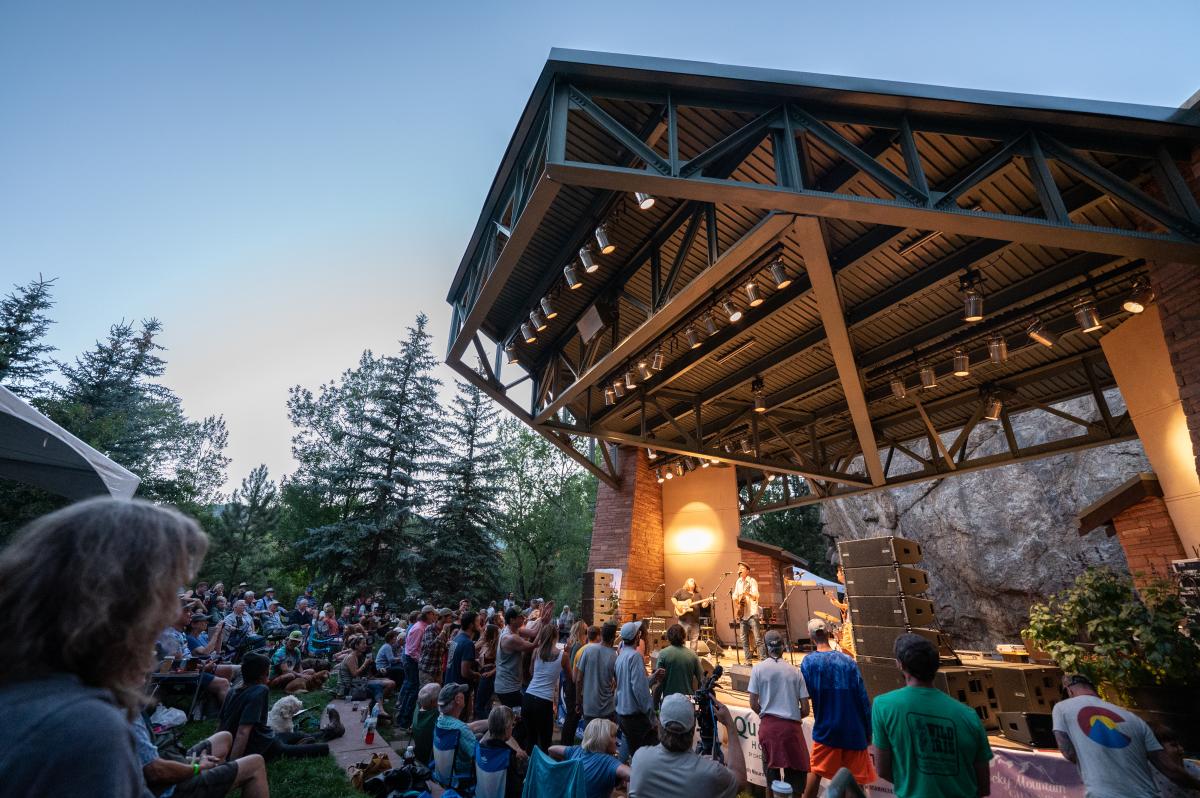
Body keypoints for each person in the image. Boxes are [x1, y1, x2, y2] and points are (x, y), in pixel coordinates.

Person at [0, 498, 209, 798]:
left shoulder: (24, 691)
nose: (174, 610)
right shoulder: (84, 728)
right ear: (124, 603)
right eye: (168, 592)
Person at [872, 633, 992, 798]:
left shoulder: (883, 706)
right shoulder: (969, 716)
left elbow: (882, 770)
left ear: (900, 665)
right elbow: (983, 787)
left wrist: (912, 786)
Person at [1052, 673, 1200, 797]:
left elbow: (1068, 752)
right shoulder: (1134, 719)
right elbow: (1171, 771)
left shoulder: (1062, 708)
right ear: (1095, 690)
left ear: (1069, 692)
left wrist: (1094, 757)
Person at [798, 618, 874, 798]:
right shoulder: (848, 661)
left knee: (816, 770)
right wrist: (868, 730)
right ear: (828, 634)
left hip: (827, 728)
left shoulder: (809, 663)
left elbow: (806, 694)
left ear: (810, 637)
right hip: (853, 729)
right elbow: (862, 698)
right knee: (855, 781)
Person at [628, 692, 745, 797]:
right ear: (693, 728)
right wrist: (730, 724)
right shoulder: (711, 774)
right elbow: (740, 780)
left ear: (659, 726)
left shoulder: (640, 759)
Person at [220, 653, 329, 760]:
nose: (268, 679)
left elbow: (222, 723)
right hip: (259, 745)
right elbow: (243, 731)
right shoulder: (259, 691)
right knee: (319, 748)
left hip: (263, 736)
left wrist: (218, 747)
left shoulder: (232, 691)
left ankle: (328, 731)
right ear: (262, 675)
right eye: (268, 674)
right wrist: (234, 763)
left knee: (297, 735)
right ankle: (306, 744)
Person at [131, 714, 269, 798]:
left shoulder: (121, 703)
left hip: (164, 764)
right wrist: (197, 767)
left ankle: (214, 787)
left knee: (223, 738)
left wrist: (192, 760)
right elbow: (156, 772)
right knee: (255, 763)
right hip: (166, 790)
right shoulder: (125, 713)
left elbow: (146, 759)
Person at [748, 630, 810, 797]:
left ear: (767, 648)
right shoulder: (795, 672)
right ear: (783, 647)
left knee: (771, 779)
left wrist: (768, 714)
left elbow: (753, 703)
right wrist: (789, 713)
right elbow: (805, 709)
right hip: (791, 730)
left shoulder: (758, 669)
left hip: (769, 729)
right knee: (796, 781)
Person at [615, 621, 665, 758]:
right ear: (636, 637)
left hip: (622, 713)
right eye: (639, 634)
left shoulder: (621, 656)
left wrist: (653, 677)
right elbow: (640, 691)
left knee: (634, 754)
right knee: (652, 753)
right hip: (634, 717)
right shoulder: (635, 656)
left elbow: (634, 685)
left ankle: (625, 776)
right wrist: (652, 718)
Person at [549, 717, 631, 798]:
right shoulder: (608, 762)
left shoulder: (576, 750)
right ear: (604, 739)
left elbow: (551, 749)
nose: (616, 741)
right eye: (613, 736)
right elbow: (633, 775)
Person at [522, 621, 568, 755]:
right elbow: (570, 676)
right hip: (544, 702)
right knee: (545, 740)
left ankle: (529, 770)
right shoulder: (562, 656)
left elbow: (531, 672)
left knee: (531, 739)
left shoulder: (536, 651)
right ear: (556, 636)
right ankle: (543, 771)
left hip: (529, 697)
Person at [494, 605, 545, 710]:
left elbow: (533, 632)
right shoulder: (510, 637)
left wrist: (542, 618)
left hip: (510, 685)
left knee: (516, 717)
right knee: (517, 718)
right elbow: (532, 646)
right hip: (507, 688)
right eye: (520, 617)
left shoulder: (515, 630)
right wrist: (544, 623)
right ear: (512, 620)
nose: (524, 618)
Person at [336, 634, 394, 720]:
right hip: (347, 689)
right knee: (377, 687)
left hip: (354, 685)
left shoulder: (356, 655)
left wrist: (370, 665)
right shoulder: (351, 657)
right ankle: (379, 710)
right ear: (356, 645)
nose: (365, 645)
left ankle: (379, 710)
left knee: (377, 687)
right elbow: (355, 674)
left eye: (365, 643)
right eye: (363, 644)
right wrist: (365, 664)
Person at [397, 604, 437, 729]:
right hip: (412, 662)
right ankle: (404, 721)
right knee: (413, 691)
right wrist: (422, 662)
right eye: (434, 614)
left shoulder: (423, 626)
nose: (435, 617)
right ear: (429, 614)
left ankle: (403, 719)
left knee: (412, 690)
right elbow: (413, 650)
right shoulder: (420, 628)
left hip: (413, 661)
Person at [477, 705, 529, 798]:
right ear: (506, 728)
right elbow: (515, 789)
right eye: (512, 725)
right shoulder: (508, 757)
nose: (512, 728)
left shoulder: (478, 748)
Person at [436, 683, 483, 783]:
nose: (464, 694)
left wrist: (491, 721)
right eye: (461, 692)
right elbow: (480, 757)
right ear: (457, 700)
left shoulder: (441, 719)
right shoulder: (460, 729)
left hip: (444, 772)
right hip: (459, 777)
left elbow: (468, 726)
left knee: (479, 735)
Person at [576, 622, 618, 730]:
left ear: (602, 635)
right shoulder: (614, 655)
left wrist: (578, 701)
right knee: (604, 743)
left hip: (589, 706)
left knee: (589, 742)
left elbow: (579, 678)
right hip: (607, 708)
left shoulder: (588, 650)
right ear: (613, 637)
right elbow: (617, 682)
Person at [656, 623, 703, 702]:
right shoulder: (692, 655)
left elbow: (657, 682)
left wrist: (656, 706)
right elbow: (702, 679)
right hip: (687, 701)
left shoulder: (663, 654)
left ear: (668, 637)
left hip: (668, 701)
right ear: (684, 637)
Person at [561, 620, 590, 744]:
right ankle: (566, 745)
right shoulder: (578, 645)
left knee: (571, 717)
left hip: (570, 685)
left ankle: (566, 744)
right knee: (572, 717)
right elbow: (574, 668)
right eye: (586, 631)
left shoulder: (572, 643)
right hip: (573, 686)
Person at [732, 561, 765, 661]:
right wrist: (737, 601)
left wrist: (748, 594)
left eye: (742, 568)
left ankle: (763, 660)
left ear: (747, 571)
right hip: (742, 614)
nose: (740, 570)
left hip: (752, 613)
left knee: (758, 639)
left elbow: (756, 596)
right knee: (743, 639)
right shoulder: (738, 582)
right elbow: (734, 594)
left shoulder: (752, 581)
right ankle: (748, 661)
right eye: (739, 568)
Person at [671, 578, 710, 651]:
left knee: (694, 640)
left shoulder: (698, 595)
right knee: (682, 639)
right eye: (690, 580)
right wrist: (677, 605)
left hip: (695, 621)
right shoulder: (681, 591)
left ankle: (693, 657)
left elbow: (703, 605)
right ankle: (682, 657)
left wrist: (706, 602)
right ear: (687, 583)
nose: (693, 581)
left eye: (693, 581)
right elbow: (673, 598)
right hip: (683, 620)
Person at [419, 608, 453, 687]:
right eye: (450, 617)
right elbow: (430, 647)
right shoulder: (430, 628)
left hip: (438, 669)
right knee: (426, 695)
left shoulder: (446, 630)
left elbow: (442, 649)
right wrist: (443, 632)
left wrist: (447, 645)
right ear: (443, 617)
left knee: (436, 695)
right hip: (427, 668)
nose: (452, 620)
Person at [474, 621, 500, 721]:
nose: (484, 631)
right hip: (482, 673)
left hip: (488, 675)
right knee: (484, 703)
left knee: (480, 705)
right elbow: (474, 647)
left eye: (485, 630)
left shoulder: (496, 647)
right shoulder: (486, 643)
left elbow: (500, 664)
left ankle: (488, 724)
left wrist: (491, 672)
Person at [412, 682, 442, 765]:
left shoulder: (417, 709)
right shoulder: (435, 716)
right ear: (433, 702)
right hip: (429, 757)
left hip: (419, 753)